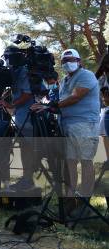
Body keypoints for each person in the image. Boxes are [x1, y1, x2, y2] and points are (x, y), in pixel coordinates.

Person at [32, 49, 100, 201]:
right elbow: (58, 101)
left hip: (84, 124)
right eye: (64, 61)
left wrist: (51, 106)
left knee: (86, 161)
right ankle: (70, 197)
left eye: (71, 60)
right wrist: (44, 105)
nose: (67, 63)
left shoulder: (86, 75)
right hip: (67, 125)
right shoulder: (64, 81)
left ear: (79, 61)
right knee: (70, 162)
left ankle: (85, 199)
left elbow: (75, 97)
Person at [0, 46, 38, 191]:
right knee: (25, 149)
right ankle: (26, 179)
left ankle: (28, 179)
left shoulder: (24, 71)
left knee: (28, 149)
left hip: (28, 117)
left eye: (7, 57)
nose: (6, 60)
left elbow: (27, 94)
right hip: (21, 117)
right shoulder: (15, 71)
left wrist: (10, 104)